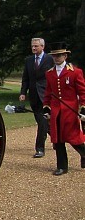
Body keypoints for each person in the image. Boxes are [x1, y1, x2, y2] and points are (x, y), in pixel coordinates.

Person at [42, 42, 85, 176]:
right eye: (54, 56)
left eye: (59, 55)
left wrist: (83, 109)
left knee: (72, 136)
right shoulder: (49, 73)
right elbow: (48, 93)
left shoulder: (75, 72)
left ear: (65, 56)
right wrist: (46, 108)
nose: (57, 58)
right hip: (56, 110)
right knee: (58, 138)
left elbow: (83, 92)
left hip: (69, 109)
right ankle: (62, 166)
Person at [19, 38, 54, 158]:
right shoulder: (28, 60)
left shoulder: (50, 59)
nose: (34, 48)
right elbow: (25, 78)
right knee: (43, 121)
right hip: (34, 95)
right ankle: (56, 139)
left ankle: (40, 148)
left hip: (46, 95)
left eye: (36, 46)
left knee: (43, 121)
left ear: (42, 47)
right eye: (32, 46)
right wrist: (23, 92)